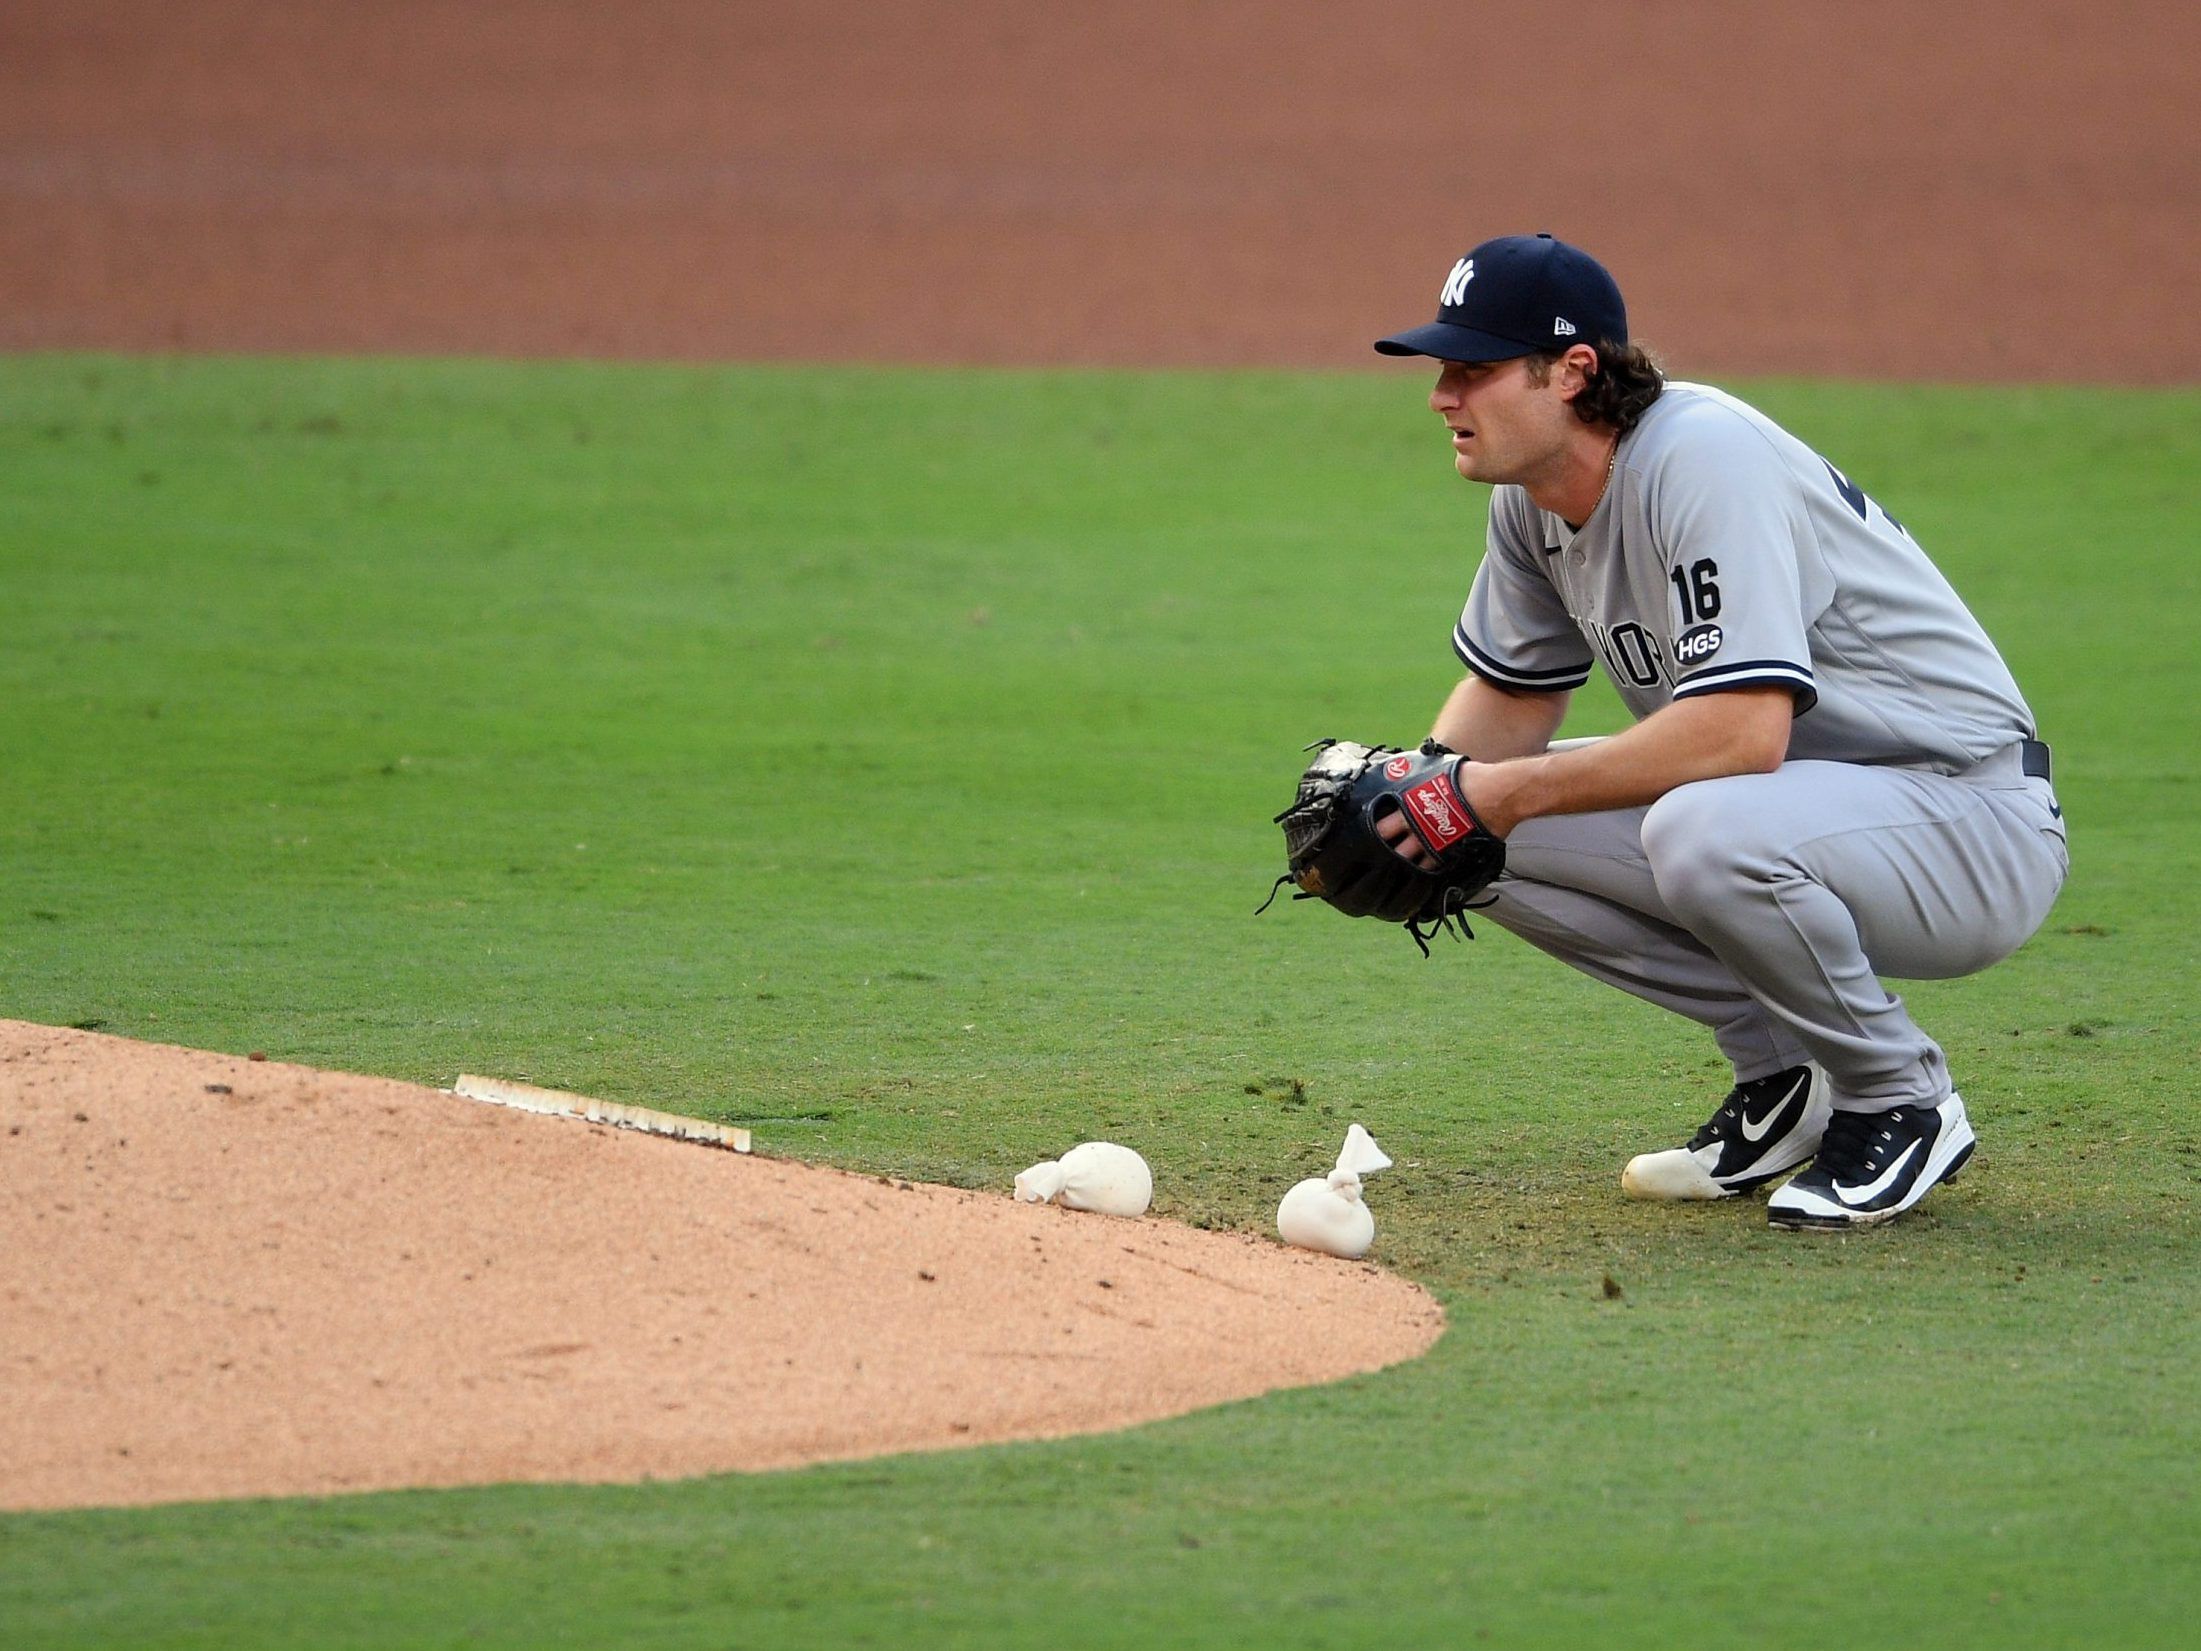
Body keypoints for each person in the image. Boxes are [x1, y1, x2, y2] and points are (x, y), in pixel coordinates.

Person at [1368, 233, 2068, 1230]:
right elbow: (1506, 712)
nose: (1442, 394)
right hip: (1804, 817)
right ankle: (1785, 1078)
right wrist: (1406, 801)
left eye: (1470, 369)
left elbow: (1742, 735)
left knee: (1691, 828)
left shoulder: (1700, 457)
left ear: (1569, 375)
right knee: (1458, 829)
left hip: (1966, 819)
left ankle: (1899, 1098)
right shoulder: (1533, 508)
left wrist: (1496, 789)